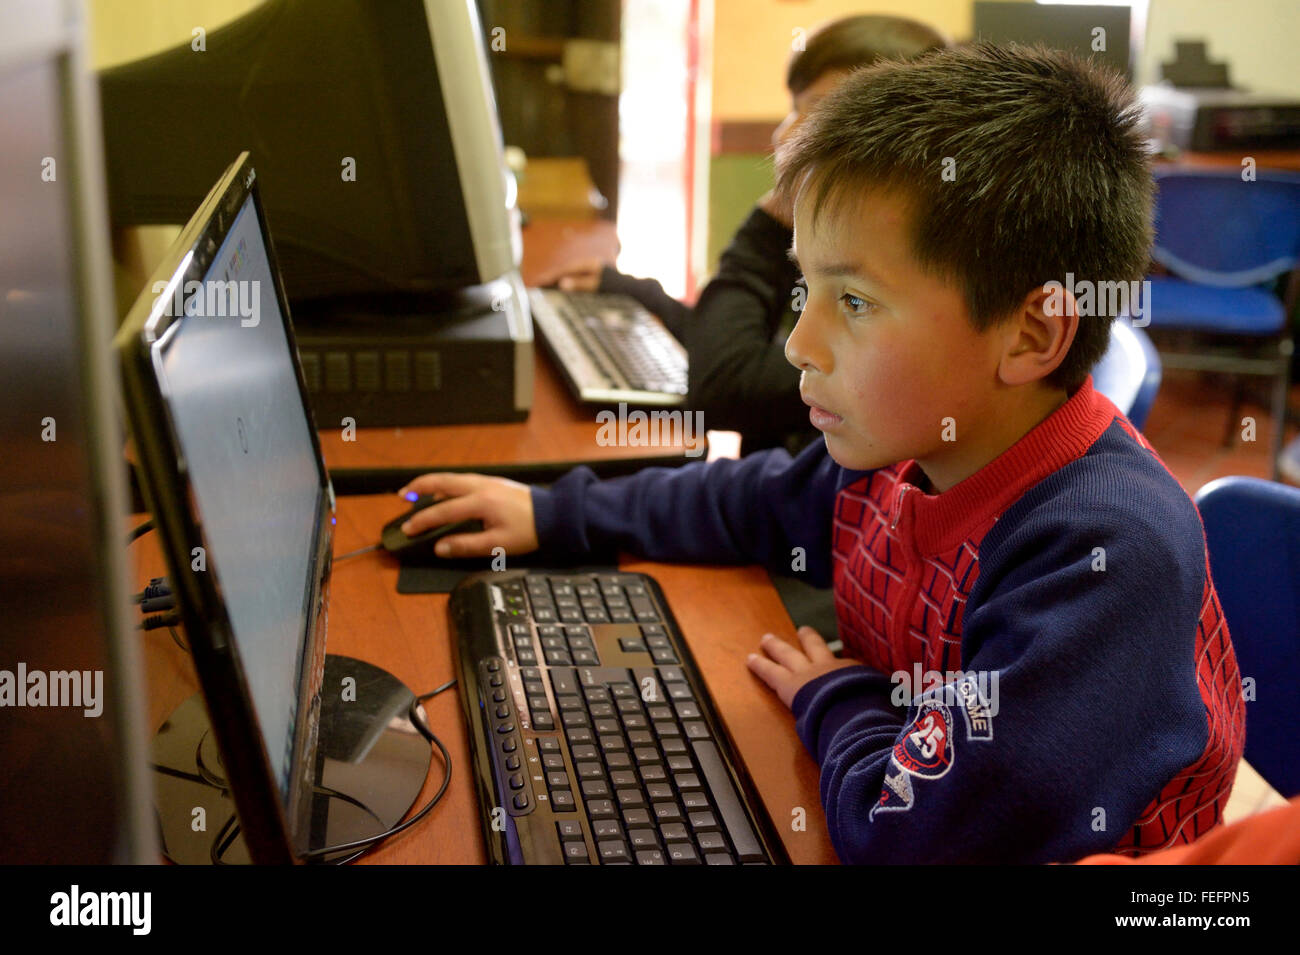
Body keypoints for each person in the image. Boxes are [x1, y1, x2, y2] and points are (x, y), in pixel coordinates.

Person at [393, 44, 1245, 864]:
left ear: (1030, 334)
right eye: (807, 289)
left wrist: (833, 695)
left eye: (856, 301)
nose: (800, 342)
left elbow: (908, 833)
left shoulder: (1102, 556)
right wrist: (551, 512)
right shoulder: (904, 451)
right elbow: (753, 499)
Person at [544, 15, 949, 455]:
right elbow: (738, 348)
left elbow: (724, 385)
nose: (783, 133)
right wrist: (642, 297)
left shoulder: (887, 276)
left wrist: (769, 219)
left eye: (812, 114)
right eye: (794, 109)